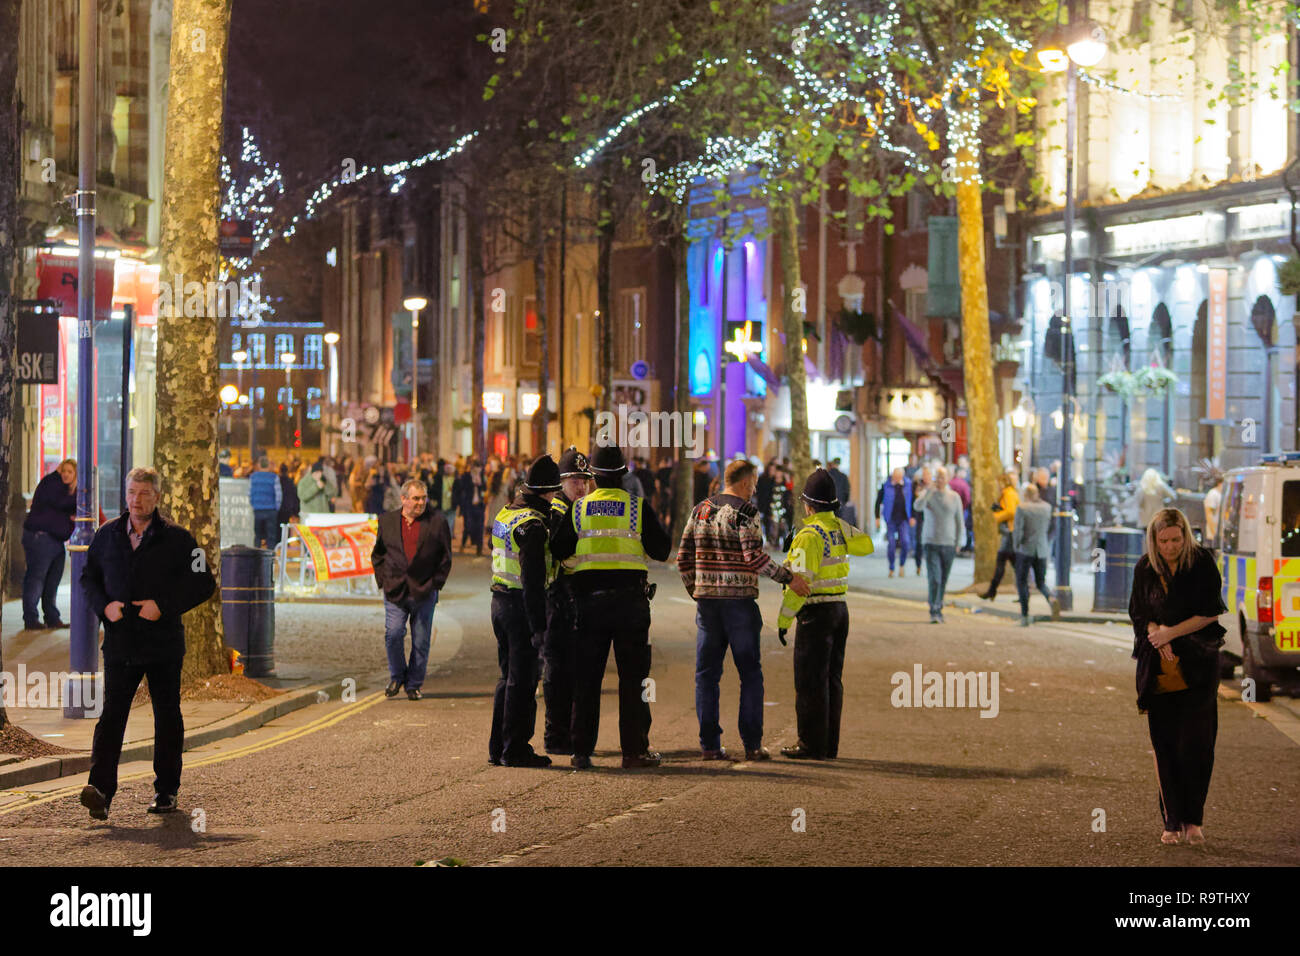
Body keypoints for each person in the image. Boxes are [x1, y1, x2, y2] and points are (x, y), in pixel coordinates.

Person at [78, 467, 216, 820]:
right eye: (131, 493)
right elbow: (88, 577)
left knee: (166, 717)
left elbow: (204, 583)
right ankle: (101, 791)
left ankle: (166, 790)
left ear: (157, 496)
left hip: (163, 644)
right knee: (111, 717)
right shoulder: (106, 535)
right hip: (121, 642)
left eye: (143, 493)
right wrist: (104, 607)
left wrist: (163, 606)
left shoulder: (179, 539)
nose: (136, 500)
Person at [678, 459, 811, 762]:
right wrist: (789, 578)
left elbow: (683, 558)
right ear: (745, 481)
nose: (754, 488)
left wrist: (697, 591)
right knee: (750, 673)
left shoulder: (699, 510)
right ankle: (752, 744)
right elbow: (755, 558)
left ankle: (710, 745)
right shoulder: (746, 513)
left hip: (708, 605)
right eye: (753, 482)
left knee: (707, 675)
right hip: (739, 604)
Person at [550, 445, 673, 770]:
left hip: (589, 605)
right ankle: (634, 751)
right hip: (631, 605)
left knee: (587, 680)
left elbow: (559, 548)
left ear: (593, 475)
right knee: (635, 681)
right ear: (623, 474)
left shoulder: (579, 509)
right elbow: (662, 550)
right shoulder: (637, 507)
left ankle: (581, 752)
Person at [1128, 508, 1227, 846]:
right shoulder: (1145, 567)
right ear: (1154, 540)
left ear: (1185, 535)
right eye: (1163, 540)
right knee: (1165, 744)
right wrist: (1156, 633)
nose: (1170, 546)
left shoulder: (1201, 562)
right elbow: (1139, 613)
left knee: (1197, 746)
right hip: (1159, 669)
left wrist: (1171, 634)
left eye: (1176, 539)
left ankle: (1193, 820)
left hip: (1198, 664)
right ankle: (1171, 821)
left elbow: (1210, 611)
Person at [776, 468, 874, 760]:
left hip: (815, 614)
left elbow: (799, 584)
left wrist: (783, 621)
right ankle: (828, 744)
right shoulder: (839, 529)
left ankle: (810, 745)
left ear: (808, 505)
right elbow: (866, 545)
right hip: (839, 610)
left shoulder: (809, 535)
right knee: (832, 680)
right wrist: (839, 526)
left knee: (809, 682)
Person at [487, 456, 562, 767]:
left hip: (499, 601)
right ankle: (515, 748)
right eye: (554, 492)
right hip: (520, 607)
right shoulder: (533, 526)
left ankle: (498, 746)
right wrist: (538, 628)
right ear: (546, 492)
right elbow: (532, 581)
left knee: (507, 678)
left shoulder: (508, 512)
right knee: (524, 680)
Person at [371, 479, 452, 701]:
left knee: (421, 640)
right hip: (395, 589)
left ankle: (414, 684)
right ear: (403, 499)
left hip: (424, 590)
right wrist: (383, 580)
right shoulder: (387, 521)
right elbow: (378, 554)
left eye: (423, 498)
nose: (420, 503)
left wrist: (435, 584)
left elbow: (446, 558)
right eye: (416, 498)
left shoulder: (437, 522)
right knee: (393, 634)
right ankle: (397, 676)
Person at [541, 448, 594, 756]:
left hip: (567, 598)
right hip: (558, 599)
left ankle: (563, 733)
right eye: (575, 480)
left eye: (585, 480)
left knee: (566, 670)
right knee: (559, 671)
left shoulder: (575, 508)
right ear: (561, 482)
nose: (581, 486)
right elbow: (561, 552)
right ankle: (558, 734)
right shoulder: (560, 511)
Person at [22, 459, 77, 630]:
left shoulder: (66, 490)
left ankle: (52, 617)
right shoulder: (52, 483)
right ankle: (31, 619)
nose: (66, 474)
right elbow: (62, 503)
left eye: (70, 472)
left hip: (56, 540)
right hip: (41, 538)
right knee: (36, 578)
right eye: (64, 470)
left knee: (53, 579)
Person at [914, 466, 965, 624]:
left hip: (948, 543)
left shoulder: (954, 497)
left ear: (948, 478)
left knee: (943, 579)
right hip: (931, 542)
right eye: (937, 477)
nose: (940, 480)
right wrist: (928, 492)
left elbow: (959, 521)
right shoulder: (927, 494)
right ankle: (934, 609)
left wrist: (959, 542)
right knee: (934, 577)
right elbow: (917, 506)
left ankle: (939, 606)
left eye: (943, 477)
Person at [1012, 483, 1059, 625]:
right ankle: (1051, 598)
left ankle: (1025, 615)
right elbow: (1052, 527)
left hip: (1026, 549)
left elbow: (1018, 530)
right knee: (1041, 582)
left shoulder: (1022, 508)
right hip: (1042, 549)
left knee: (1022, 582)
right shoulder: (1047, 508)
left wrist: (1016, 545)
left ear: (1026, 494)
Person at [980, 471, 1020, 600]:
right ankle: (1022, 590)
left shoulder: (1008, 493)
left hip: (1009, 533)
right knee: (1012, 564)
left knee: (1002, 562)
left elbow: (1011, 511)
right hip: (1010, 533)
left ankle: (992, 591)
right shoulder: (1008, 493)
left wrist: (996, 516)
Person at [873, 467, 913, 577]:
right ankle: (891, 567)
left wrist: (912, 516)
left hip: (904, 519)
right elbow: (878, 501)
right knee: (891, 544)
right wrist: (877, 517)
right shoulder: (886, 485)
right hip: (891, 519)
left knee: (905, 542)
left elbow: (912, 500)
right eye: (896, 476)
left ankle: (902, 564)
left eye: (900, 476)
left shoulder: (908, 485)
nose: (897, 478)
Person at [248, 456, 282, 549]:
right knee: (271, 536)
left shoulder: (253, 477)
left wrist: (253, 505)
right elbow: (278, 494)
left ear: (259, 465)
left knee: (257, 535)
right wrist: (276, 508)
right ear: (269, 465)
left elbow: (250, 493)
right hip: (271, 510)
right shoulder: (274, 477)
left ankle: (256, 555)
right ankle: (270, 556)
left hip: (257, 510)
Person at [455, 460, 487, 555]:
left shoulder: (481, 477)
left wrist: (480, 483)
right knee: (468, 525)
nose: (478, 472)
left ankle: (479, 549)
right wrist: (472, 483)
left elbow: (485, 489)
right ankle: (463, 544)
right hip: (468, 505)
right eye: (476, 470)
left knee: (480, 527)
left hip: (479, 505)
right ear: (472, 469)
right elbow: (462, 488)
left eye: (479, 470)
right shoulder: (466, 476)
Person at [909, 466, 931, 576]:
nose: (926, 477)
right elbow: (912, 502)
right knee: (919, 541)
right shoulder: (917, 485)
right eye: (925, 474)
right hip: (920, 517)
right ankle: (918, 565)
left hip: (931, 518)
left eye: (928, 474)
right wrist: (912, 516)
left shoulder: (933, 486)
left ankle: (929, 565)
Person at [948, 465, 973, 555]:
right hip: (961, 509)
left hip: (950, 510)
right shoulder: (963, 484)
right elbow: (967, 498)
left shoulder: (950, 483)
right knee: (960, 527)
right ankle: (958, 546)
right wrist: (963, 507)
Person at [1202, 476, 1224, 542]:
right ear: (1220, 483)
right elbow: (1209, 514)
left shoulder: (1221, 494)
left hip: (1220, 535)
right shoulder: (1213, 494)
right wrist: (1214, 533)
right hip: (1213, 536)